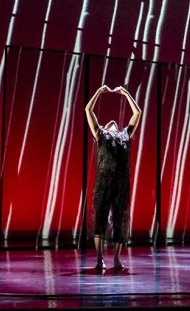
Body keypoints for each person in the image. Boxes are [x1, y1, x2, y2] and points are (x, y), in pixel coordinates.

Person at [85, 85, 141, 271]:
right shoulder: (100, 134)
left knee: (120, 221)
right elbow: (88, 109)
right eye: (108, 123)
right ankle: (100, 259)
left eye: (115, 123)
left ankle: (116, 259)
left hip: (121, 184)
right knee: (100, 221)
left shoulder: (125, 135)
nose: (112, 122)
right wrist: (99, 92)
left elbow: (137, 112)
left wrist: (126, 93)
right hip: (103, 183)